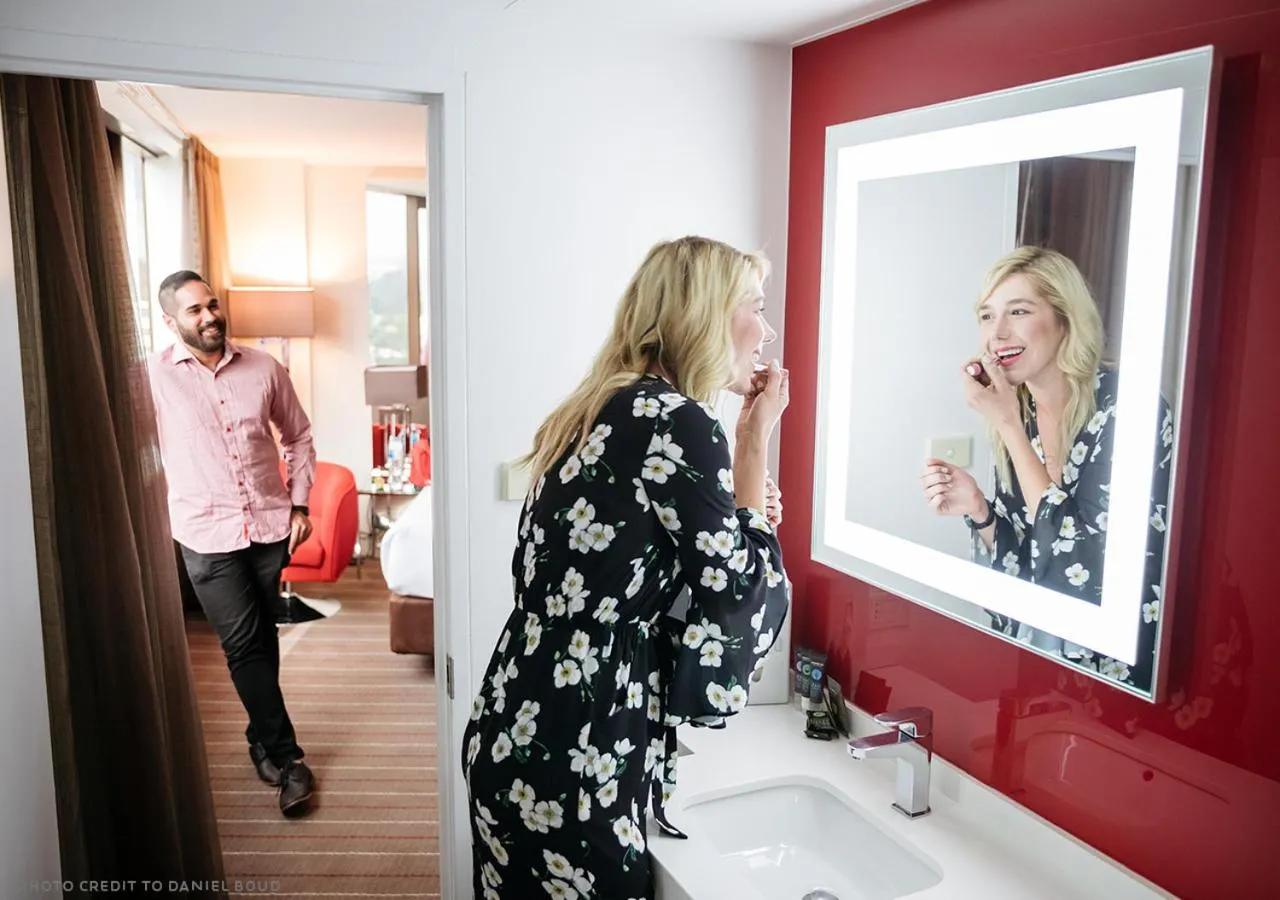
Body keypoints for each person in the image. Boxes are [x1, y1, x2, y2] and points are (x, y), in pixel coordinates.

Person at [462, 237, 792, 899]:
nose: (769, 328)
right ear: (707, 315)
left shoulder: (599, 405)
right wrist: (756, 437)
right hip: (583, 740)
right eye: (755, 305)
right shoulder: (682, 423)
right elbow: (735, 593)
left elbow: (641, 558)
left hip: (518, 715)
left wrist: (737, 509)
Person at [918, 247, 1172, 692]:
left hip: (1122, 674)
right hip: (1046, 672)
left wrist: (1006, 426)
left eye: (1018, 311)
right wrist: (981, 510)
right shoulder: (1020, 412)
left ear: (1064, 318)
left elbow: (1081, 566)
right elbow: (1026, 559)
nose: (998, 333)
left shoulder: (1130, 410)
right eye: (986, 315)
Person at [147, 269, 318, 816]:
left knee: (261, 639)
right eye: (195, 310)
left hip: (269, 528)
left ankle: (259, 741)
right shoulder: (148, 378)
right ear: (170, 321)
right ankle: (290, 760)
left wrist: (299, 502)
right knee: (243, 643)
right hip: (205, 533)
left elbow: (298, 435)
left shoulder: (264, 368)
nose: (210, 316)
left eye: (212, 305)